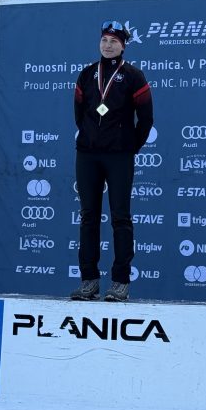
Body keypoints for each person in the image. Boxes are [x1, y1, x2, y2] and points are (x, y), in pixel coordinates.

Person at [71, 20, 154, 302]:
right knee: (88, 217)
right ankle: (89, 281)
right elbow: (79, 114)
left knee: (120, 217)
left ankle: (120, 282)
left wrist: (129, 146)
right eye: (104, 40)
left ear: (123, 46)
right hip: (87, 155)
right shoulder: (86, 74)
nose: (108, 46)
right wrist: (90, 137)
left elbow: (146, 119)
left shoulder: (133, 76)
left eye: (114, 41)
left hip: (119, 156)